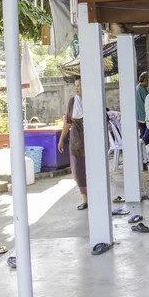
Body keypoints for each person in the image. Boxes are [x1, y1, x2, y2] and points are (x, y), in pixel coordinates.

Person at [58, 76, 88, 211]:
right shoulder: (72, 102)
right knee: (77, 170)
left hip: (90, 139)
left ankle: (94, 196)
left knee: (91, 169)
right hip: (76, 140)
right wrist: (61, 139)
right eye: (76, 85)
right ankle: (85, 199)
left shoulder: (92, 100)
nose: (77, 88)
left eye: (80, 85)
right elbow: (68, 122)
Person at [136, 72, 149, 138]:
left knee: (142, 133)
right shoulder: (142, 89)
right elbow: (147, 102)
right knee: (145, 135)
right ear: (144, 80)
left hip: (139, 116)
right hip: (144, 115)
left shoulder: (137, 88)